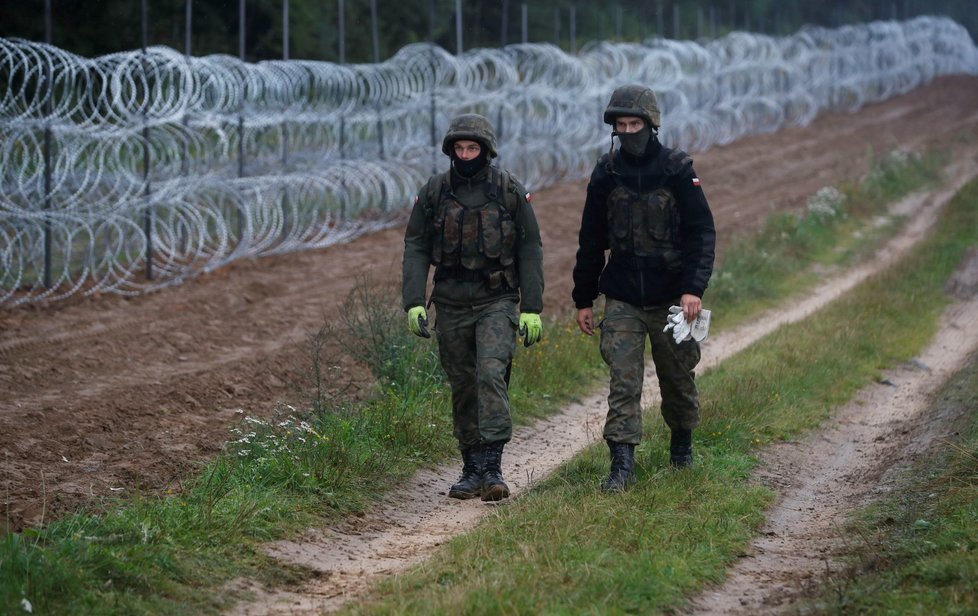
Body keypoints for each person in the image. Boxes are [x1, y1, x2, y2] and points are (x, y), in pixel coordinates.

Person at [572, 85, 716, 492]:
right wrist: (584, 298)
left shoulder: (676, 168)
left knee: (676, 376)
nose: (629, 129)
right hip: (622, 297)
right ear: (614, 128)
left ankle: (681, 451)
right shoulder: (607, 172)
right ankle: (621, 466)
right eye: (622, 124)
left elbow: (701, 232)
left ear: (651, 125)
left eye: (635, 123)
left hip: (673, 297)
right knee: (623, 380)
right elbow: (590, 238)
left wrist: (692, 288)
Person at [402, 113, 544, 501]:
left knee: (490, 373)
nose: (465, 155)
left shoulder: (508, 190)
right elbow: (415, 245)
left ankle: (493, 467)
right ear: (451, 151)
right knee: (463, 384)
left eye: (472, 148)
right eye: (459, 149)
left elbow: (530, 248)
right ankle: (470, 468)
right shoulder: (435, 192)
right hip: (449, 302)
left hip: (496, 300)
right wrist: (413, 300)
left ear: (486, 151)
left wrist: (532, 306)